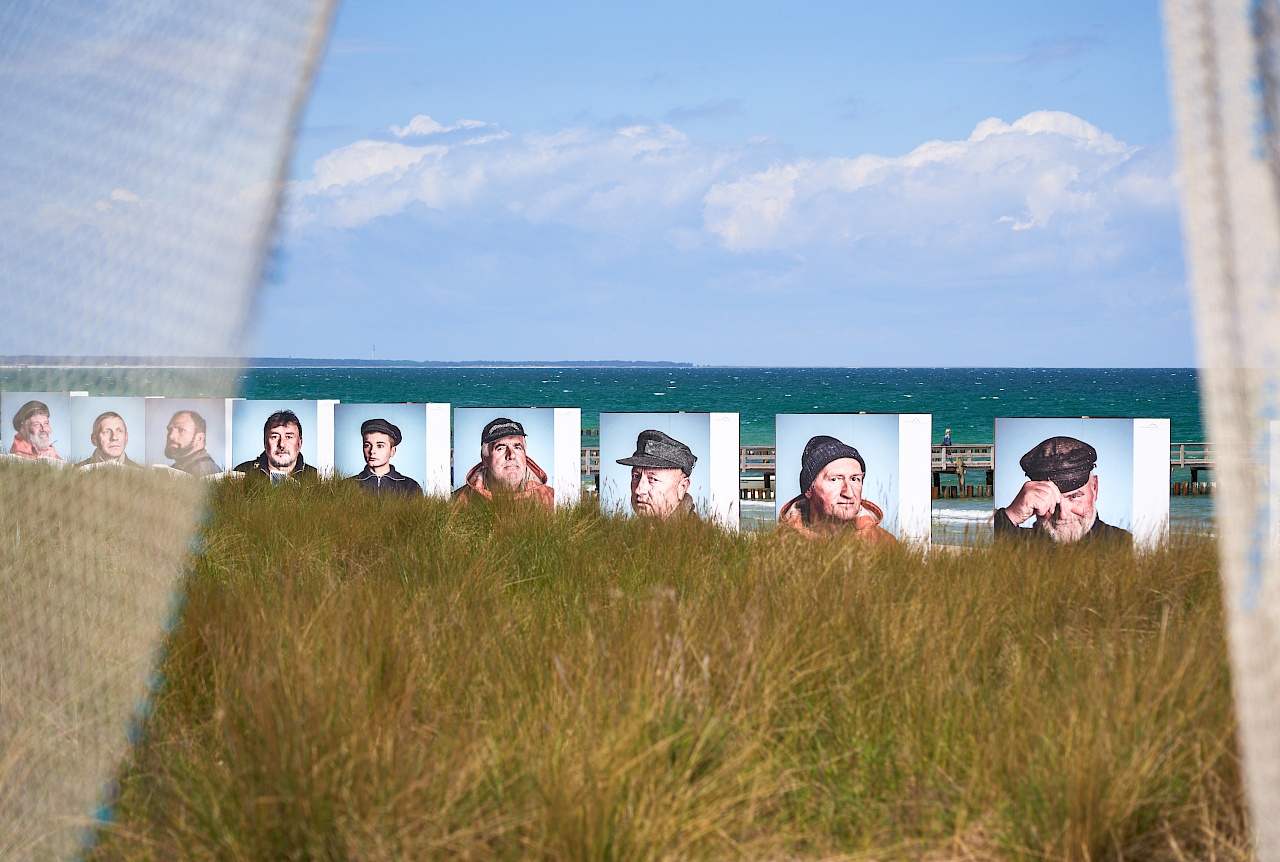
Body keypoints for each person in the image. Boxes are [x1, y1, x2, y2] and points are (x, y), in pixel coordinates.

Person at [995, 435, 1132, 544]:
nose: (1062, 515)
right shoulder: (1012, 543)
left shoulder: (1126, 545)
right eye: (1053, 500)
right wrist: (1010, 516)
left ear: (1095, 488)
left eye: (1074, 496)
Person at [777, 435, 896, 543]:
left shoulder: (885, 543)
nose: (849, 493)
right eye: (835, 479)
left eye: (854, 479)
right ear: (809, 489)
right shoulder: (778, 544)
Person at [452, 417, 554, 509]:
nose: (512, 455)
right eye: (500, 448)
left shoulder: (552, 500)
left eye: (517, 447)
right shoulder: (456, 503)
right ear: (485, 459)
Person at [615, 429, 698, 519]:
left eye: (654, 479)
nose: (638, 490)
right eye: (636, 476)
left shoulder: (698, 532)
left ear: (682, 487)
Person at [233, 409, 318, 482]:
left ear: (299, 443)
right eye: (274, 437)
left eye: (289, 437)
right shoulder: (242, 472)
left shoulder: (316, 477)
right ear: (265, 443)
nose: (281, 444)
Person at [348, 418, 422, 496]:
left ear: (392, 451)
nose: (372, 451)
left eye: (380, 446)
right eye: (367, 445)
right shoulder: (347, 485)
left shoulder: (410, 487)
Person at [164, 409, 222, 476]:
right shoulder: (177, 470)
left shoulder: (205, 473)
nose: (171, 436)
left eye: (181, 430)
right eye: (170, 430)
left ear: (199, 439)